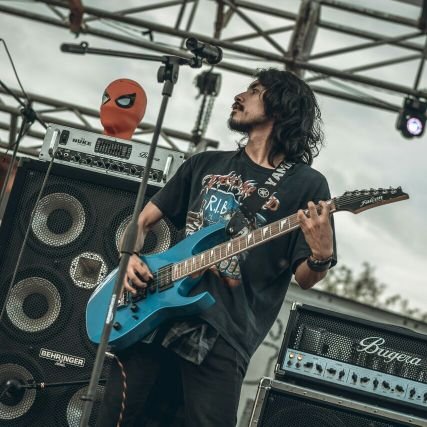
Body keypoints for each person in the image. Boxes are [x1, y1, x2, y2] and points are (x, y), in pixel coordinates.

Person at [96, 68, 337, 427]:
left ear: (281, 107)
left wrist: (321, 255)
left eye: (254, 90)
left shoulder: (306, 185)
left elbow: (306, 278)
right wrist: (129, 258)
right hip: (153, 312)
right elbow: (142, 221)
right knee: (114, 419)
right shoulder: (204, 163)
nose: (240, 95)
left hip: (225, 330)